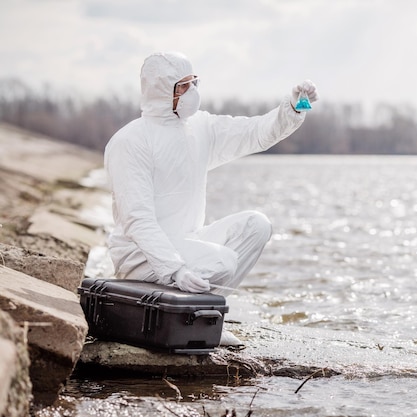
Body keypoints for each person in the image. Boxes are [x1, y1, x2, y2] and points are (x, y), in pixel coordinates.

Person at [104, 51, 318, 296]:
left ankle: (207, 316)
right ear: (162, 91)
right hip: (140, 256)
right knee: (220, 262)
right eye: (184, 86)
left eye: (194, 82)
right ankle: (189, 318)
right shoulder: (130, 141)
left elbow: (254, 133)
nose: (193, 91)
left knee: (256, 225)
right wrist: (175, 269)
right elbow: (137, 220)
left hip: (188, 242)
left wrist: (292, 108)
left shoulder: (199, 127)